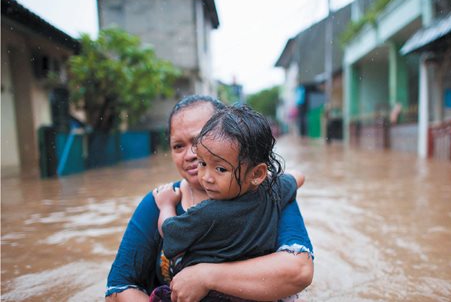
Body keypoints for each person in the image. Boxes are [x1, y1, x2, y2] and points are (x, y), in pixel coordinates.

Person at [106, 95, 314, 302]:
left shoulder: (269, 194)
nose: (190, 154)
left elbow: (298, 270)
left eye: (198, 141)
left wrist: (206, 276)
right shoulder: (157, 201)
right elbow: (118, 288)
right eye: (178, 146)